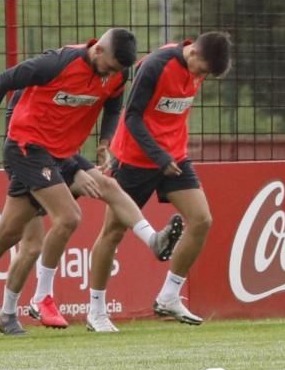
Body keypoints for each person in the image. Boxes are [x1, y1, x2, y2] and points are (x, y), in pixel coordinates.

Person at [0, 28, 138, 338]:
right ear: (98, 50)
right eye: (111, 67)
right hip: (27, 148)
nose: (112, 75)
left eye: (118, 71)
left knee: (11, 234)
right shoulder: (56, 64)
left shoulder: (115, 75)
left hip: (56, 154)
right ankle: (41, 297)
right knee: (69, 216)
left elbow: (114, 105)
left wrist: (104, 141)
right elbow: (5, 80)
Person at [0, 93, 184, 337]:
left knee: (107, 188)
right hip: (27, 160)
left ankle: (153, 240)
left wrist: (103, 143)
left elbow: (111, 109)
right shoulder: (45, 74)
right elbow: (17, 127)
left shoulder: (96, 79)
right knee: (30, 245)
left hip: (59, 158)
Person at [87, 32, 233, 332]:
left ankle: (168, 296)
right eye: (202, 70)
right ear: (192, 53)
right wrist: (158, 155)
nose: (201, 76)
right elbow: (133, 118)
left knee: (202, 219)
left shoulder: (197, 67)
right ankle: (96, 310)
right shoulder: (155, 65)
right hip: (136, 159)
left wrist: (167, 156)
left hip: (174, 157)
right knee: (112, 233)